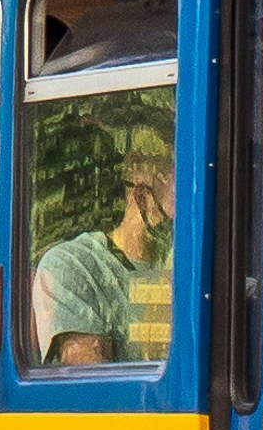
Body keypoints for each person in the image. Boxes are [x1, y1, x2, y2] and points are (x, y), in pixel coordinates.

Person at [34, 122, 177, 363]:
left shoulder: (185, 267)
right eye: (177, 202)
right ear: (142, 198)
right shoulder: (75, 266)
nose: (182, 217)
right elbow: (91, 384)